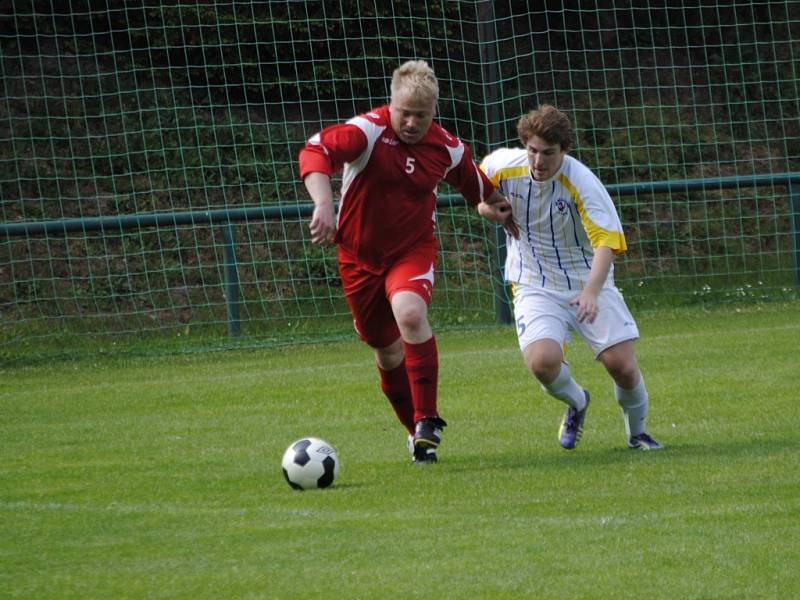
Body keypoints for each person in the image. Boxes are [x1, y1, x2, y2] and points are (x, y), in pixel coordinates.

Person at [298, 60, 515, 464]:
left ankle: (427, 417)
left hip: (412, 249)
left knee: (410, 314)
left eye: (421, 115)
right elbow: (316, 150)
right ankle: (415, 434)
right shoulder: (367, 131)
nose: (412, 122)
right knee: (386, 354)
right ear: (391, 104)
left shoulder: (445, 147)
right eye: (405, 112)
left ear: (434, 113)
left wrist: (493, 207)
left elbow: (479, 188)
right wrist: (324, 203)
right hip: (358, 258)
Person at [478, 104, 662, 451]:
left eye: (548, 153)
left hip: (587, 280)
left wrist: (592, 292)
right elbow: (476, 188)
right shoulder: (502, 166)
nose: (538, 161)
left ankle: (637, 434)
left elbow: (606, 242)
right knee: (543, 363)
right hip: (534, 283)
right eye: (532, 150)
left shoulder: (583, 183)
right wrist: (487, 209)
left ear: (564, 150)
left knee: (621, 365)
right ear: (524, 145)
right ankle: (577, 402)